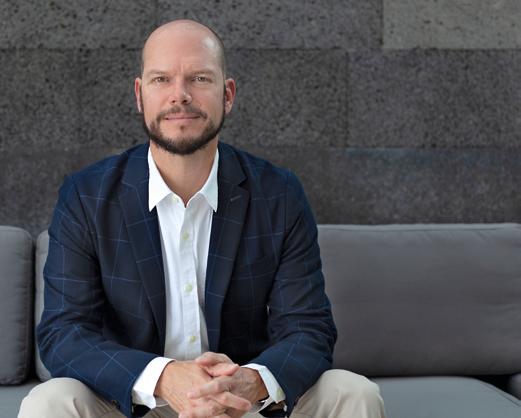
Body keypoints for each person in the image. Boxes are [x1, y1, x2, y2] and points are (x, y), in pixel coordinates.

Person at [19, 20, 386, 418]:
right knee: (50, 401)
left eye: (199, 78)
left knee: (352, 393)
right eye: (162, 79)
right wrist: (164, 377)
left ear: (227, 95)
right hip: (136, 402)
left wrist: (250, 382)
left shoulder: (278, 193)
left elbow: (308, 329)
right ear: (140, 95)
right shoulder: (86, 196)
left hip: (241, 401)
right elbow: (65, 334)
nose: (180, 95)